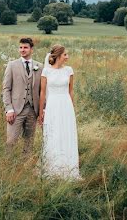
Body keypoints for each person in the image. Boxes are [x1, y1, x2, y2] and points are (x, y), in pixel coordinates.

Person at [38, 44, 80, 179]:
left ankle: (69, 169)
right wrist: (41, 112)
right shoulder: (47, 71)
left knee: (66, 133)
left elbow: (71, 90)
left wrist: (72, 108)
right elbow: (42, 92)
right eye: (65, 54)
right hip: (53, 105)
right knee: (54, 133)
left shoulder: (69, 70)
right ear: (58, 56)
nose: (67, 57)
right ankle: (53, 168)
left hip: (66, 105)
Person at [2, 37, 43, 154]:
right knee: (11, 141)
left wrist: (41, 110)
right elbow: (6, 88)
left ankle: (25, 167)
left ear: (31, 50)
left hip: (32, 110)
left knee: (29, 142)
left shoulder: (39, 67)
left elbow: (42, 90)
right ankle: (7, 166)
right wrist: (9, 109)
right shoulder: (12, 65)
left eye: (25, 47)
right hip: (15, 110)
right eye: (20, 47)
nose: (22, 50)